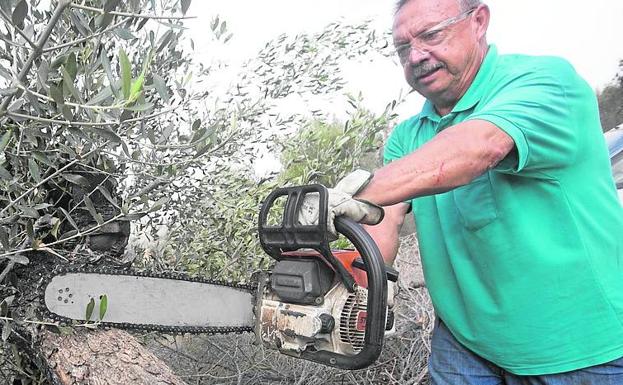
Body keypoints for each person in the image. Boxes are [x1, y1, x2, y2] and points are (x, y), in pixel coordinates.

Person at [299, 0, 623, 383]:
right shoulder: (408, 136)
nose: (417, 56)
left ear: (479, 21)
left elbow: (479, 146)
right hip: (466, 343)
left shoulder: (546, 81)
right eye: (403, 48)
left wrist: (346, 197)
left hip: (578, 345)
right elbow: (380, 232)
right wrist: (328, 271)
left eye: (431, 35)